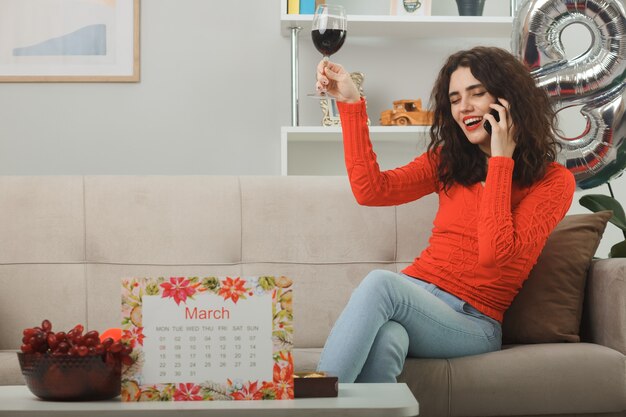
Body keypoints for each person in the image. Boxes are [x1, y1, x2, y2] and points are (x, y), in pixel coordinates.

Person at [313, 46, 576, 383]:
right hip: (415, 295)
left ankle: (313, 403)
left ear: (509, 100)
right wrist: (350, 104)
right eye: (454, 99)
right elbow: (371, 190)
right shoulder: (448, 161)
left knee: (381, 284)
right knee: (388, 339)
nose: (464, 106)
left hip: (474, 321)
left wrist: (500, 160)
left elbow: (495, 256)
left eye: (477, 93)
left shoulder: (554, 182)